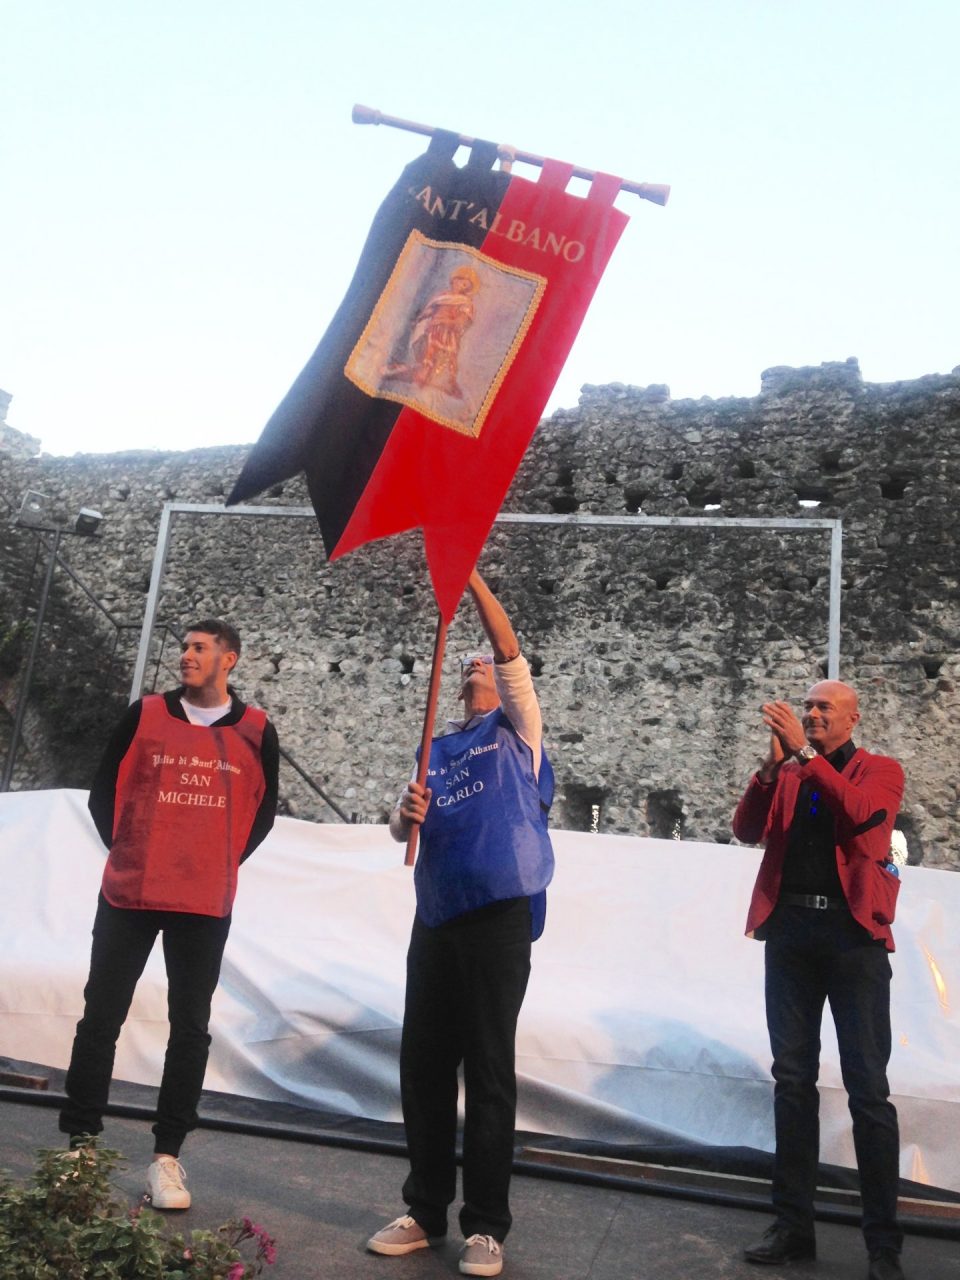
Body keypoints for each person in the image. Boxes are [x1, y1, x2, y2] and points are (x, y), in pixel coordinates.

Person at [367, 568, 554, 1279]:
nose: (478, 663)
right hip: (437, 916)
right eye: (469, 663)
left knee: (489, 1068)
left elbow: (508, 649)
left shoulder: (518, 732)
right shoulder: (435, 748)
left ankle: (486, 1227)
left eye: (486, 664)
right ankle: (423, 1209)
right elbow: (400, 827)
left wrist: (465, 571)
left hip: (497, 918)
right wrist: (400, 818)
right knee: (423, 1064)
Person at [60, 619, 279, 1209]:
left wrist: (217, 860)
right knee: (100, 1016)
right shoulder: (145, 714)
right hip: (129, 893)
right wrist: (129, 845)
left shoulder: (257, 730)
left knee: (190, 1028)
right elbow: (103, 790)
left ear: (228, 660)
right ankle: (81, 1145)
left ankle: (167, 1158)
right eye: (184, 647)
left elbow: (263, 814)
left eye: (199, 648)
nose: (186, 656)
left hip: (204, 902)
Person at [734, 680, 907, 1280]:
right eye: (805, 707)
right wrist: (770, 766)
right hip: (791, 937)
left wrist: (805, 761)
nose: (809, 714)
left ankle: (883, 1244)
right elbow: (746, 830)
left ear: (852, 718)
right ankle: (793, 1228)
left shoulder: (879, 769)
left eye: (821, 708)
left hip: (852, 941)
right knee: (791, 1082)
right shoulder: (788, 772)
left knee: (868, 1090)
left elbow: (864, 822)